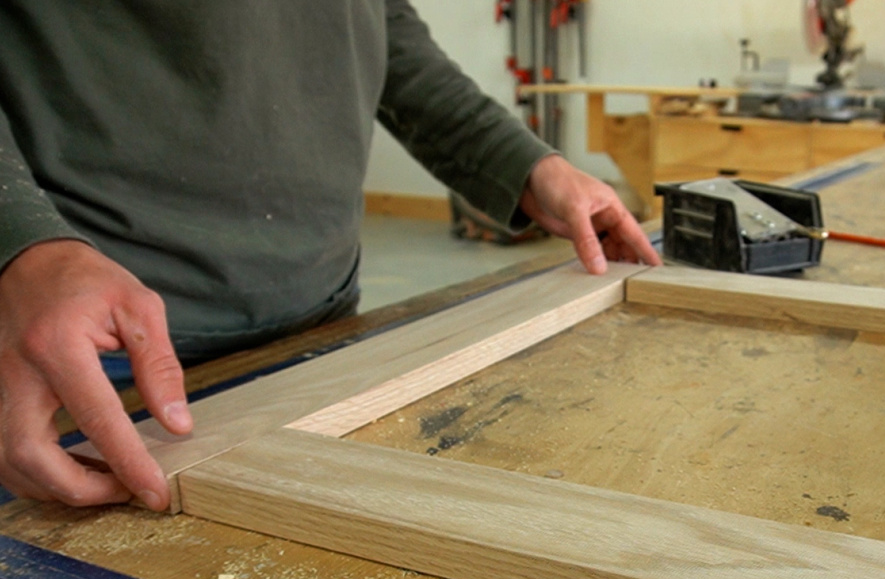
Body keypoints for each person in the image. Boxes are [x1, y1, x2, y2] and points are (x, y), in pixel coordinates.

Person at [0, 2, 659, 512]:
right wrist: (23, 243)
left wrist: (521, 160)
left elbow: (375, 27)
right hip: (83, 351)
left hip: (325, 328)